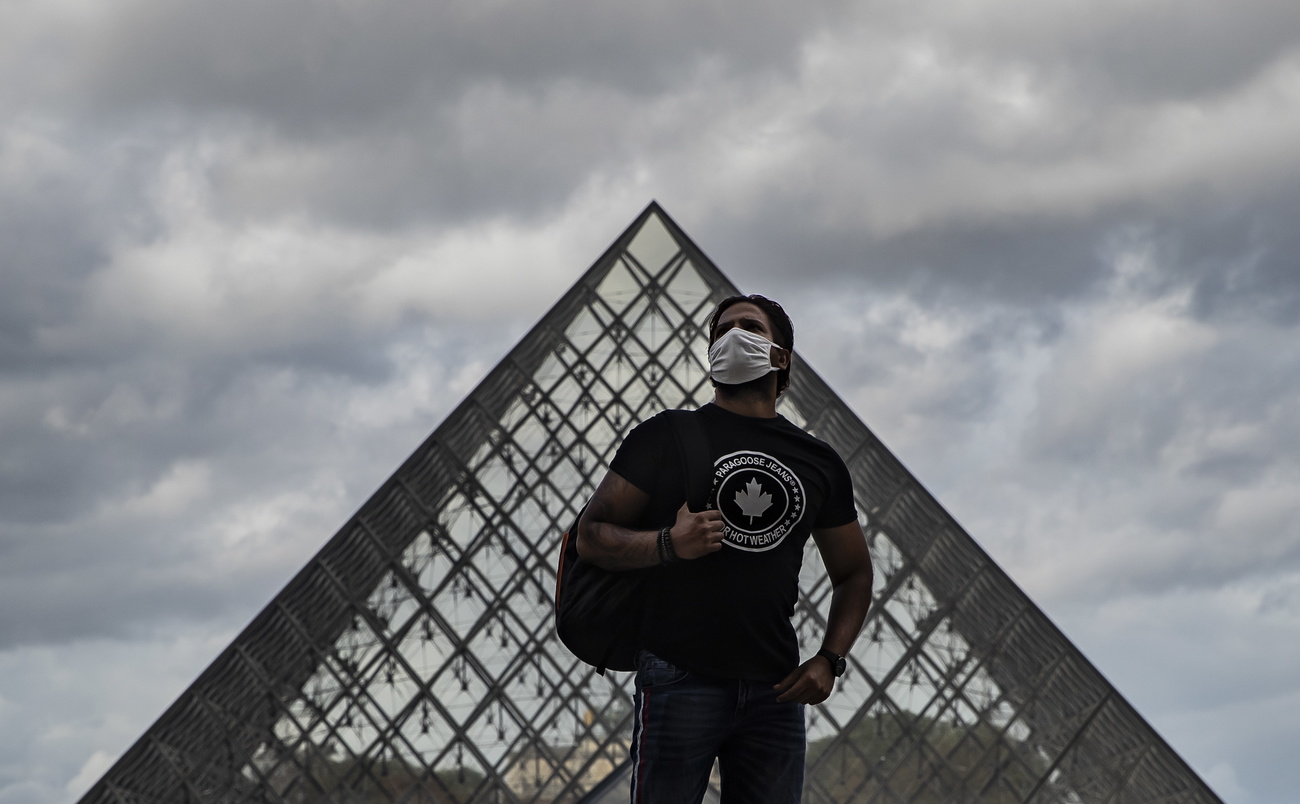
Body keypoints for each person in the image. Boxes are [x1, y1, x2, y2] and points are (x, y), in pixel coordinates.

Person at [577, 294, 874, 804]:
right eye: (721, 331)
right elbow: (591, 535)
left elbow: (854, 572)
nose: (732, 335)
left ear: (780, 357)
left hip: (776, 687)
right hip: (678, 672)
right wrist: (670, 544)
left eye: (750, 327)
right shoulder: (664, 436)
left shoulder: (819, 462)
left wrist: (830, 659)